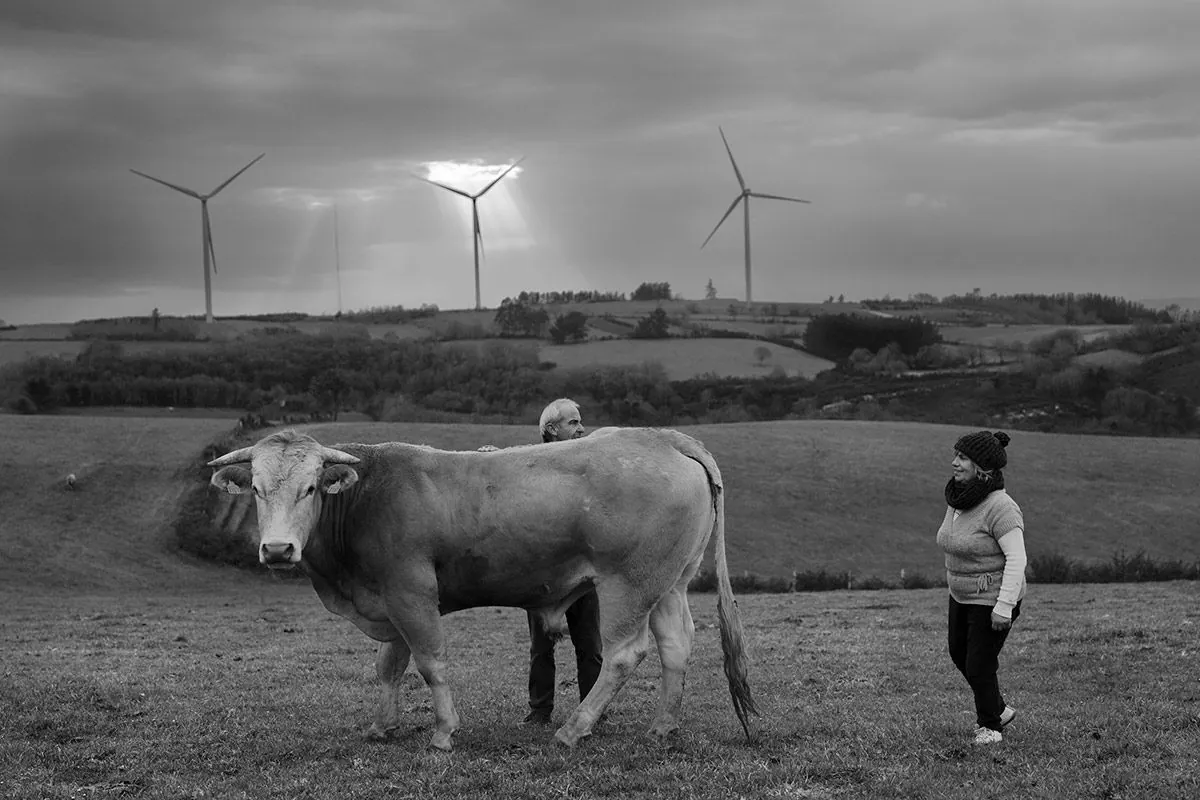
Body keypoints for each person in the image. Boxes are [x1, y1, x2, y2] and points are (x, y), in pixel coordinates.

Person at [937, 429, 1028, 746]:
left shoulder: (1001, 507)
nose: (954, 463)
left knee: (978, 664)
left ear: (983, 468)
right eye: (956, 455)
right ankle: (999, 710)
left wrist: (1003, 608)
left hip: (993, 598)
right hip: (961, 595)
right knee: (959, 654)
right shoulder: (959, 498)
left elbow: (1017, 558)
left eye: (962, 458)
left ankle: (990, 726)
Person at [523, 398, 603, 725]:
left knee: (591, 646)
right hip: (541, 574)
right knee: (541, 648)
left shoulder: (590, 466)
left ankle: (594, 710)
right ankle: (539, 712)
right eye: (573, 423)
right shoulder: (526, 464)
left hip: (582, 571)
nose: (582, 428)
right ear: (552, 430)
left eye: (580, 421)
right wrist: (490, 456)